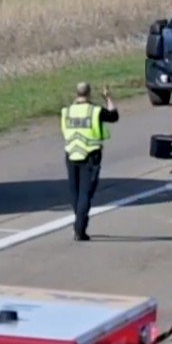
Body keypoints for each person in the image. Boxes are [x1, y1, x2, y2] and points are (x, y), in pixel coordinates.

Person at [60, 82, 119, 241]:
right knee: (86, 194)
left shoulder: (67, 111)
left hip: (71, 154)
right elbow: (114, 116)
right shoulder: (95, 111)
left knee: (75, 193)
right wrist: (108, 98)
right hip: (90, 155)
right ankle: (80, 228)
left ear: (76, 93)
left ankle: (79, 223)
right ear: (90, 93)